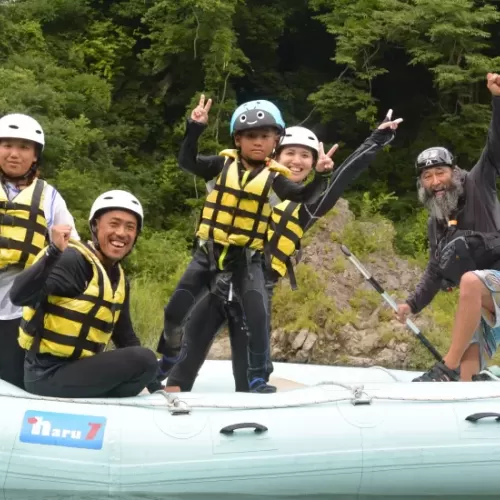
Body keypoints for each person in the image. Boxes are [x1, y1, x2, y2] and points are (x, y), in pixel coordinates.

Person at [165, 110, 403, 392]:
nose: (297, 161)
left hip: (253, 292)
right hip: (215, 286)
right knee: (183, 367)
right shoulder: (239, 176)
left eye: (306, 156)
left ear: (315, 163)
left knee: (249, 380)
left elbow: (344, 175)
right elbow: (193, 162)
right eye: (290, 153)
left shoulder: (309, 204)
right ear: (275, 154)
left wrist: (375, 140)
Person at [154, 95, 331, 394]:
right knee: (175, 311)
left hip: (246, 261)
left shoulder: (276, 180)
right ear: (238, 139)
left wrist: (323, 176)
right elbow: (187, 161)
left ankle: (257, 378)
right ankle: (168, 356)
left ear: (276, 140)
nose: (258, 142)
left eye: (265, 136)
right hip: (208, 255)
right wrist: (194, 128)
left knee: (258, 317)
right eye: (251, 136)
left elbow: (304, 196)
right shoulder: (221, 165)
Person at [395, 72, 500, 382]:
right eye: (427, 177)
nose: (435, 182)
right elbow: (434, 271)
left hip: (490, 283)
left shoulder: (479, 183)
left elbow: (495, 144)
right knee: (468, 382)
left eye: (440, 173)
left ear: (453, 172)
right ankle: (463, 375)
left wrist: (497, 99)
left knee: (468, 281)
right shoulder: (436, 221)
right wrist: (410, 305)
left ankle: (446, 367)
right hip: (486, 301)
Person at [10, 190, 158, 398]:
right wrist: (53, 253)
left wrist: (157, 388)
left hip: (79, 369)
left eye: (130, 227)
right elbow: (19, 296)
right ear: (95, 226)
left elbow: (125, 337)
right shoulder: (73, 261)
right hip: (46, 373)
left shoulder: (118, 278)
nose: (122, 233)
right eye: (114, 224)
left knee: (144, 364)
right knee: (145, 360)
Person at [0, 113, 79, 389]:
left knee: (12, 377)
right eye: (7, 145)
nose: (14, 154)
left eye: (23, 147)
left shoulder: (49, 196)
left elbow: (73, 249)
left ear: (35, 156)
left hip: (19, 305)